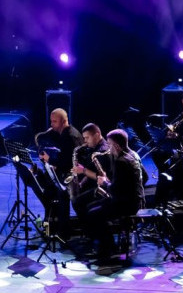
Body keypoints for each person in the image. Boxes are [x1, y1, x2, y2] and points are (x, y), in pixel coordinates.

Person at [86, 128, 146, 262]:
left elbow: (115, 189)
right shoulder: (133, 154)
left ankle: (107, 249)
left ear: (116, 145)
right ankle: (106, 246)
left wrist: (105, 182)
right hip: (135, 200)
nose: (108, 148)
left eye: (109, 144)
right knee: (91, 207)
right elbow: (145, 177)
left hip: (127, 204)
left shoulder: (121, 161)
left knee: (94, 214)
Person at [35, 108, 83, 179]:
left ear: (64, 122)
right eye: (51, 121)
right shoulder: (65, 132)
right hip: (67, 170)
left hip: (73, 177)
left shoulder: (70, 137)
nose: (51, 124)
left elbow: (67, 163)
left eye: (54, 121)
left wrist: (49, 159)